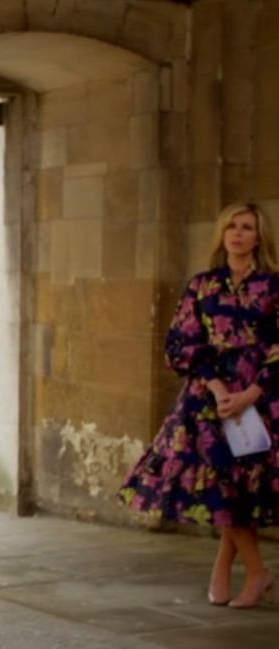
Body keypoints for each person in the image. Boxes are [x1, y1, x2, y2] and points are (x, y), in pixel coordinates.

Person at [121, 202, 279, 609]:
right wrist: (216, 386)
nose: (238, 233)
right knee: (222, 481)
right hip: (208, 400)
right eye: (232, 226)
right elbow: (182, 340)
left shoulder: (273, 285)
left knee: (240, 487)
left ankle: (235, 571)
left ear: (259, 237)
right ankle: (255, 572)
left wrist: (251, 393)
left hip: (261, 397)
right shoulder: (202, 285)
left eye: (247, 227)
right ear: (222, 234)